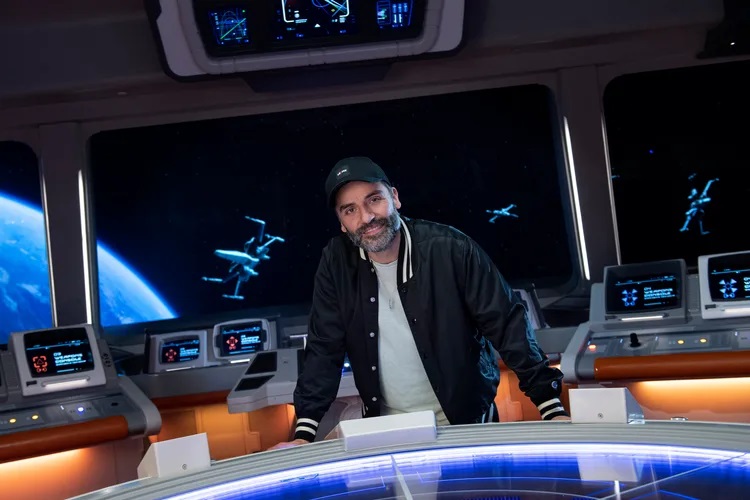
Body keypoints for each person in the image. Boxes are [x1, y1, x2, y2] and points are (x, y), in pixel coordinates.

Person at [271, 157, 569, 449]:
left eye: (374, 200)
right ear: (342, 223)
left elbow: (508, 325)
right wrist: (303, 435)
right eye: (350, 210)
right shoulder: (335, 262)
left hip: (467, 424)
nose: (366, 217)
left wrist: (551, 407)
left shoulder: (451, 248)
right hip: (386, 430)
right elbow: (324, 348)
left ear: (395, 198)